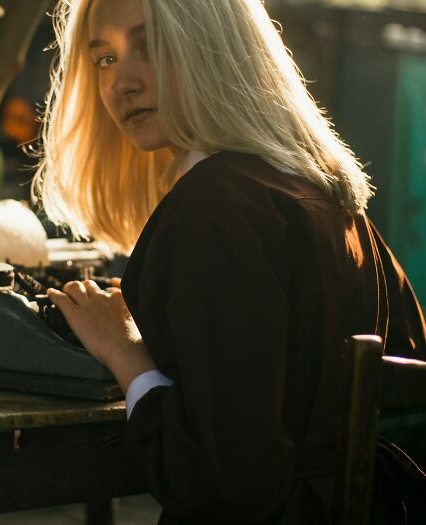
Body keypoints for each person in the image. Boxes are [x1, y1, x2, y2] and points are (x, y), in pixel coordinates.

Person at [32, 0, 426, 523]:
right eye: (104, 59)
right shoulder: (330, 198)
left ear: (215, 48)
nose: (120, 83)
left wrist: (127, 353)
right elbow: (407, 347)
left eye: (149, 46)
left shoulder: (215, 203)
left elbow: (225, 484)